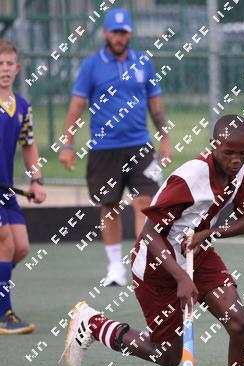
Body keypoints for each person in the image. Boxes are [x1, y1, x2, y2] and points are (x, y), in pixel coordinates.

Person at [62, 115, 244, 366]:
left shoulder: (239, 171)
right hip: (156, 267)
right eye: (229, 152)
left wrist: (210, 233)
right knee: (168, 355)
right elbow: (149, 233)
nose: (236, 160)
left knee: (240, 323)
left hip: (198, 256)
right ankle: (94, 324)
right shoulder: (189, 178)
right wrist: (181, 279)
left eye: (242, 153)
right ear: (214, 146)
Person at [59, 7, 172, 288]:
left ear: (129, 34)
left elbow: (156, 106)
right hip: (104, 148)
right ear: (105, 33)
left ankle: (141, 264)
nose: (119, 37)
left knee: (146, 203)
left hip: (140, 145)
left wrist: (165, 138)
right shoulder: (91, 66)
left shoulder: (143, 63)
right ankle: (114, 268)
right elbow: (76, 107)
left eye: (124, 32)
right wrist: (68, 144)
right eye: (114, 32)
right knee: (109, 206)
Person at [0, 38, 47, 334]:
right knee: (5, 244)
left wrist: (36, 179)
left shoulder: (22, 107)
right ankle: (4, 315)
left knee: (21, 248)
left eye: (9, 64)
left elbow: (28, 145)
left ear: (17, 69)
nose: (4, 69)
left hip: (6, 190)